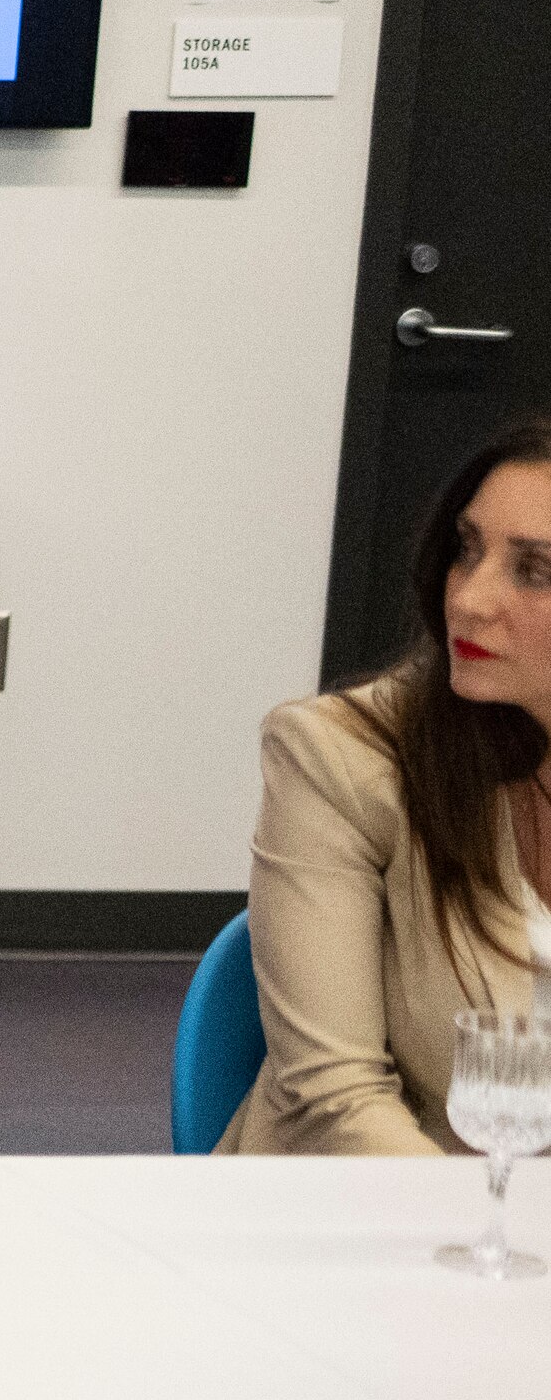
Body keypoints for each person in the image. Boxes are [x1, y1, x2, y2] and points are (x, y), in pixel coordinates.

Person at [228, 412, 551, 1151]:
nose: (469, 598)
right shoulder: (339, 756)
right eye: (466, 551)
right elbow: (336, 1097)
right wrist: (495, 1239)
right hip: (385, 1214)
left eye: (534, 571)